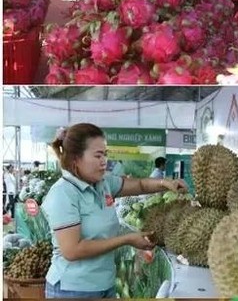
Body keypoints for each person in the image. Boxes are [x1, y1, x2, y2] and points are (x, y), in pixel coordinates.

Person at [42, 123, 188, 298]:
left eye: (105, 154)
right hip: (72, 290)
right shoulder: (63, 193)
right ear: (75, 159)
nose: (104, 161)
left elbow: (140, 185)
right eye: (98, 156)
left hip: (104, 285)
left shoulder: (103, 184)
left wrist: (166, 183)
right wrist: (126, 239)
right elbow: (72, 250)